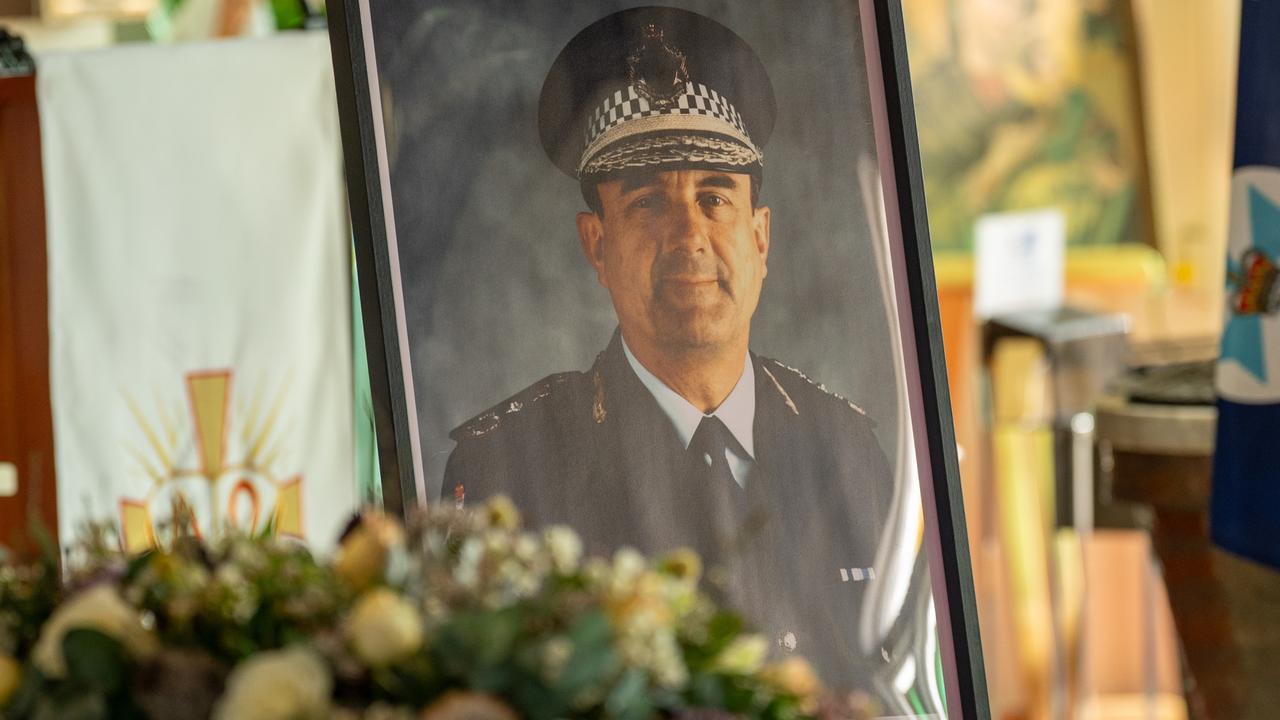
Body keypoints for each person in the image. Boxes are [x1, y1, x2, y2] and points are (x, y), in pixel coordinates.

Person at [444, 6, 893, 688]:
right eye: (649, 203)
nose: (689, 237)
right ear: (596, 243)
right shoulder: (509, 466)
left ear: (760, 237)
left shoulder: (846, 446)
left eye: (715, 199)